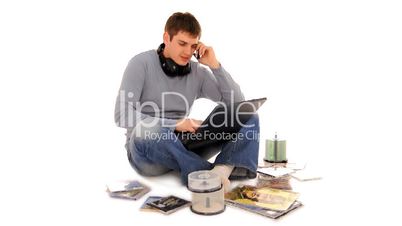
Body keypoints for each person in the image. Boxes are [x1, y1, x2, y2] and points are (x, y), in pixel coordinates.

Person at [114, 12, 260, 191]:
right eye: (182, 43)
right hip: (146, 151)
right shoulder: (140, 63)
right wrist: (175, 124)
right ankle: (207, 172)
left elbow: (237, 104)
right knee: (147, 129)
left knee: (248, 115)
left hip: (184, 143)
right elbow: (122, 115)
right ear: (166, 37)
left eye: (193, 46)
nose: (187, 52)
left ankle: (221, 170)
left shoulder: (197, 72)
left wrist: (215, 66)